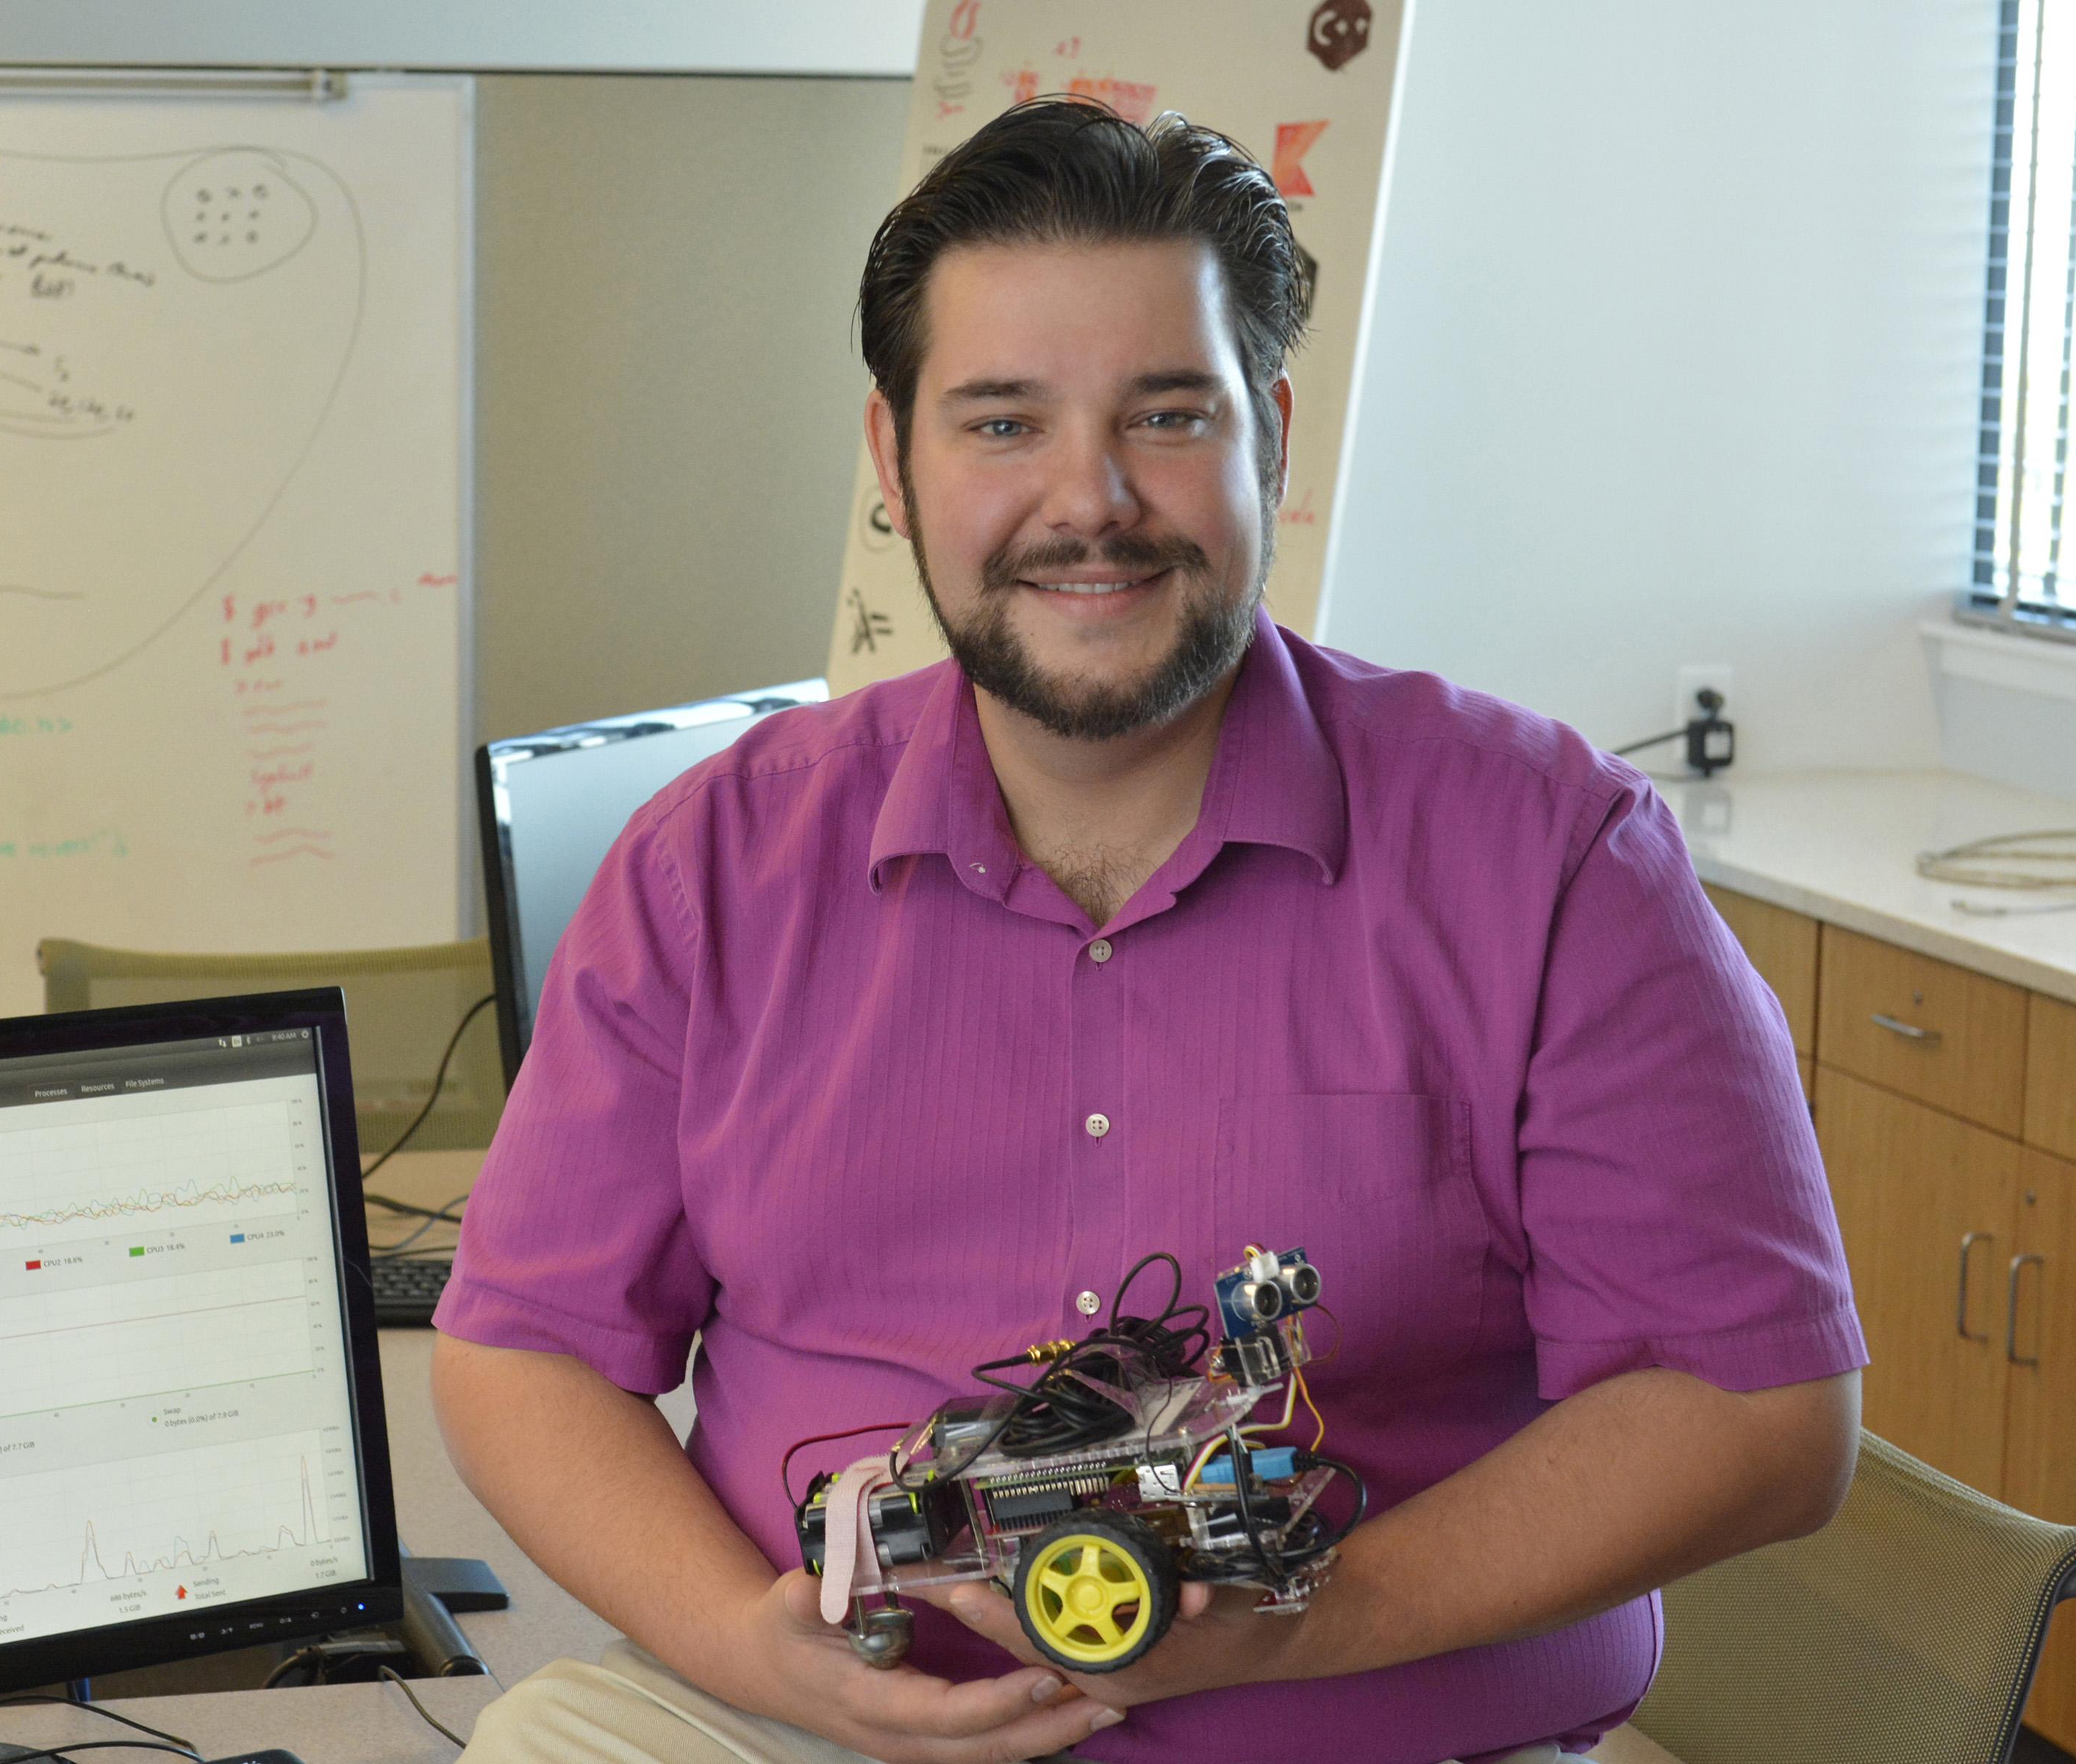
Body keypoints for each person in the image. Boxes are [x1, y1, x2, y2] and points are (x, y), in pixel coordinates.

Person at [432, 98, 1864, 1764]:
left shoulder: (1555, 859)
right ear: (895, 464)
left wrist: (1320, 1620)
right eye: (1002, 424)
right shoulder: (714, 863)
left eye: (1165, 414)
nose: (1089, 500)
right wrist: (749, 1655)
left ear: (1270, 431)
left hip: (1391, 1739)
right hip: (809, 1736)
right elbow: (522, 1352)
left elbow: (1762, 1413)